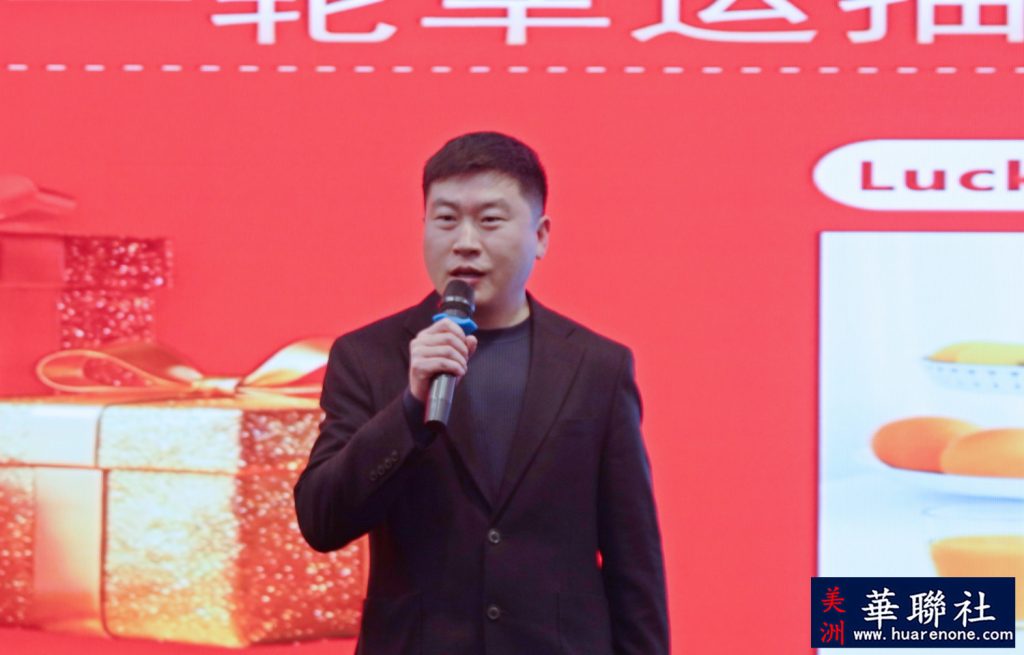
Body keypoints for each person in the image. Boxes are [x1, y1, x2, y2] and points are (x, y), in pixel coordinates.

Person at [294, 132, 668, 655]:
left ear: (540, 236)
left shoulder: (597, 367)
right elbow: (322, 520)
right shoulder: (368, 355)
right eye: (446, 219)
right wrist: (409, 409)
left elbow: (635, 562)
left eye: (490, 220)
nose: (465, 242)